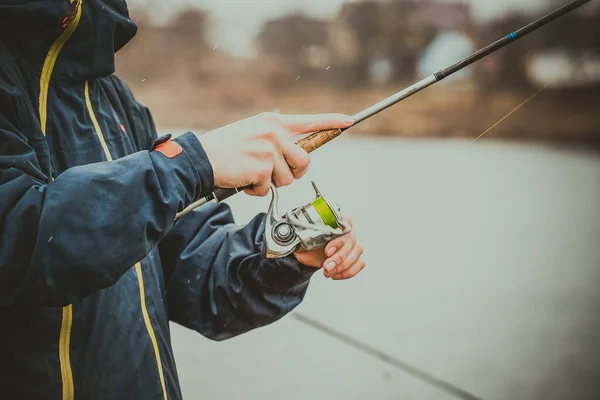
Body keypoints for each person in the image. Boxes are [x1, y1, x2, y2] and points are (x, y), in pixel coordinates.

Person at [0, 0, 365, 399]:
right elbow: (16, 237)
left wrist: (286, 254)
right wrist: (190, 163)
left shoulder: (112, 99)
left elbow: (194, 273)